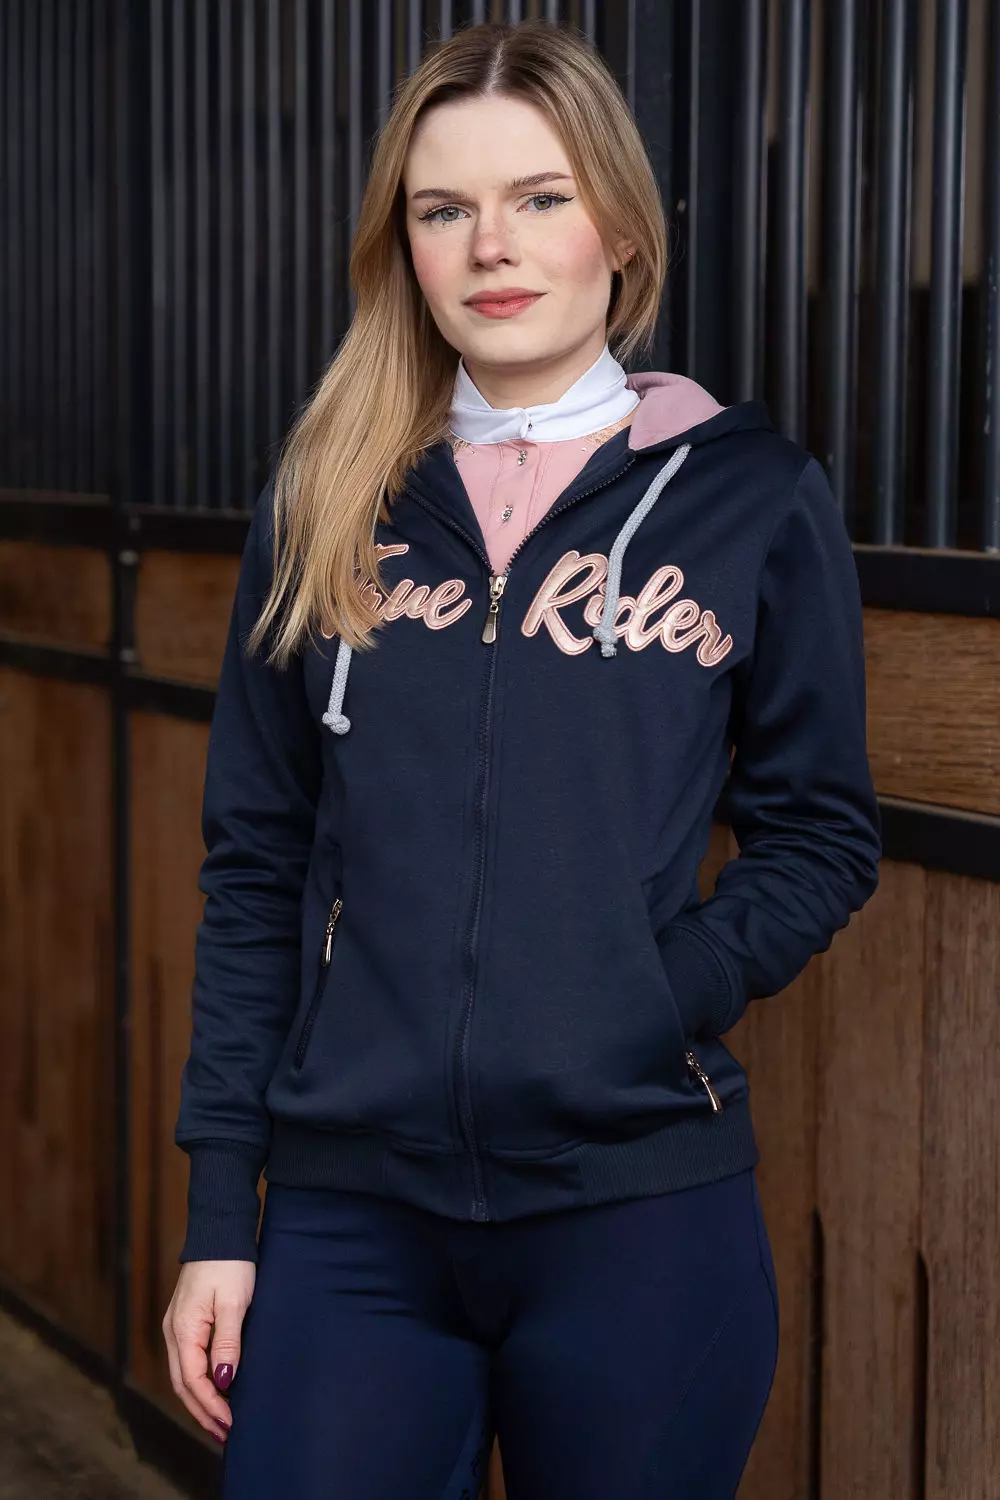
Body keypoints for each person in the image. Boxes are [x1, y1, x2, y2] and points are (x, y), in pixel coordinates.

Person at [161, 19, 881, 1499]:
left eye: (539, 197)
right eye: (445, 208)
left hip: (637, 1214)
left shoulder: (747, 497)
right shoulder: (325, 500)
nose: (491, 244)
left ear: (618, 222)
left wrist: (657, 988)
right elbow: (257, 869)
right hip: (354, 1217)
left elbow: (821, 831)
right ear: (405, 249)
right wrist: (223, 1216)